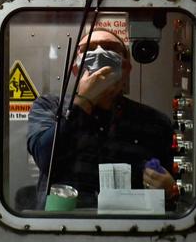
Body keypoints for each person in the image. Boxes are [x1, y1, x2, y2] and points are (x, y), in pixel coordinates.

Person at [27, 29, 176, 208]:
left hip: (130, 229)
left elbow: (170, 195)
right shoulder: (50, 107)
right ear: (75, 69)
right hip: (64, 227)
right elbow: (45, 159)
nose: (99, 52)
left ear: (126, 68)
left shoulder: (155, 122)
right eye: (88, 48)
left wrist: (169, 191)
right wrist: (82, 102)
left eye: (109, 47)